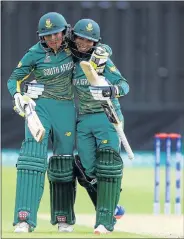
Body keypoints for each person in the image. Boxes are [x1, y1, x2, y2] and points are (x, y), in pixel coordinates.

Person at [7, 12, 77, 233]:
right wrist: (18, 95)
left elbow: (96, 48)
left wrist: (104, 53)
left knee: (64, 162)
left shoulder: (74, 46)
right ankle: (24, 218)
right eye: (48, 36)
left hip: (65, 107)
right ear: (42, 37)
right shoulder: (35, 52)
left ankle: (63, 217)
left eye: (56, 34)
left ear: (64, 31)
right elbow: (14, 78)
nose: (53, 39)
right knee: (31, 160)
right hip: (40, 108)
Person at [68, 19, 129, 234]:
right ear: (73, 37)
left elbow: (124, 85)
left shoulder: (102, 60)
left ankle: (106, 217)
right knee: (88, 168)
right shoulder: (70, 60)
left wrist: (110, 90)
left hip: (107, 116)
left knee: (108, 166)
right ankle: (113, 206)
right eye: (80, 38)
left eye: (89, 40)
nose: (84, 43)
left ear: (96, 43)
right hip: (84, 118)